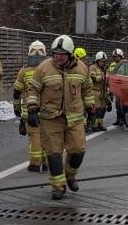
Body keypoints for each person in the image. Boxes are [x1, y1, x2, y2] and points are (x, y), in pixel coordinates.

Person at [25, 35, 95, 200]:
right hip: (51, 118)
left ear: (70, 54)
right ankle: (58, 186)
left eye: (62, 54)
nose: (58, 57)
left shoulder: (82, 69)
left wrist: (91, 108)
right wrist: (32, 109)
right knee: (54, 154)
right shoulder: (44, 68)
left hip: (75, 118)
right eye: (55, 53)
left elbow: (87, 89)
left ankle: (70, 176)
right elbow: (33, 89)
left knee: (78, 151)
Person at [12, 40, 48, 171]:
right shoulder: (49, 69)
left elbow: (17, 91)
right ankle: (47, 163)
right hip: (47, 111)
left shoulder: (24, 71)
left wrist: (16, 108)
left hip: (29, 111)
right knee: (47, 137)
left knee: (35, 138)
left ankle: (35, 163)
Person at [89, 51, 109, 132]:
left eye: (104, 61)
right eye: (101, 61)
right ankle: (94, 125)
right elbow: (93, 78)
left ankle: (100, 124)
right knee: (96, 109)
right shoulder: (93, 67)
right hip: (95, 91)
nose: (103, 63)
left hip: (103, 92)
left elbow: (108, 79)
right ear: (97, 60)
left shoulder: (105, 68)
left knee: (103, 109)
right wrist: (102, 77)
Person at [108, 49, 126, 125]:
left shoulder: (125, 64)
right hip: (116, 87)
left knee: (123, 104)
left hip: (124, 87)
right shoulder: (112, 65)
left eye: (117, 57)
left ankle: (123, 119)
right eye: (114, 57)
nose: (115, 58)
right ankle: (118, 119)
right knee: (117, 104)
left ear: (121, 57)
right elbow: (109, 75)